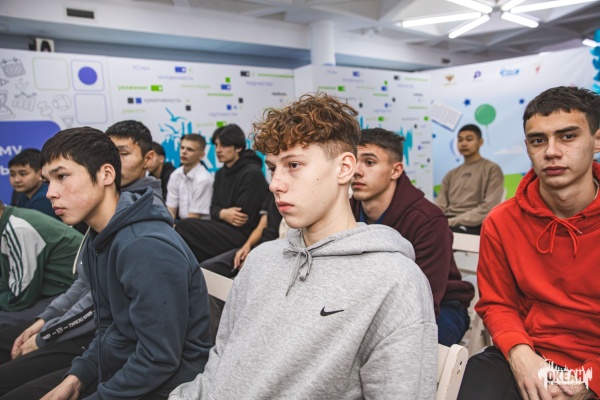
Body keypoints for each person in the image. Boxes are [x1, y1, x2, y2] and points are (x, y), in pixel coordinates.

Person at [169, 93, 437, 399]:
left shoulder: (394, 280)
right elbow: (220, 364)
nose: (275, 184)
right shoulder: (260, 260)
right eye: (273, 168)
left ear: (344, 168)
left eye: (293, 165)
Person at [21, 127, 212, 400]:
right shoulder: (99, 237)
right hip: (126, 367)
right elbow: (110, 327)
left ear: (106, 175)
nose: (51, 192)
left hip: (168, 385)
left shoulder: (143, 247)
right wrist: (78, 377)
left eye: (62, 176)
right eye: (47, 181)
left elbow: (159, 358)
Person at [458, 86, 600, 400]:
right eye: (538, 140)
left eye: (567, 136)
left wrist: (589, 384)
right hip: (530, 351)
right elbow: (498, 303)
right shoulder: (502, 221)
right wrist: (520, 355)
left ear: (597, 140)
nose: (551, 152)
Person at [350, 128, 474, 346]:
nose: (357, 172)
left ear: (396, 170)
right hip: (369, 305)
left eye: (369, 162)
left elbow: (425, 301)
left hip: (441, 306)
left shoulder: (428, 220)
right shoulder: (345, 212)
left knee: (397, 348)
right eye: (353, 162)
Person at [175, 124, 269, 263]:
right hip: (223, 229)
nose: (218, 150)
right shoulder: (220, 174)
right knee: (185, 235)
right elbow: (213, 209)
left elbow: (241, 218)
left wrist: (219, 213)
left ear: (238, 148)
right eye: (216, 145)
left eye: (224, 145)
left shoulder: (252, 173)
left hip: (243, 235)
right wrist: (222, 213)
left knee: (185, 226)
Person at [0, 201, 82, 329]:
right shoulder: (11, 221)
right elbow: (8, 279)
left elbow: (20, 298)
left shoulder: (17, 228)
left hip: (75, 293)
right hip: (56, 290)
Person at [436, 123, 504, 234]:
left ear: (480, 142)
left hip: (474, 224)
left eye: (469, 139)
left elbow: (488, 208)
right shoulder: (451, 174)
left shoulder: (492, 169)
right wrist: (436, 220)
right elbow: (440, 205)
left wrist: (451, 222)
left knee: (441, 235)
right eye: (460, 140)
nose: (463, 143)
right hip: (448, 221)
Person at [105, 120, 163, 199]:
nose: (113, 161)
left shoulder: (148, 204)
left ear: (148, 159)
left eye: (123, 153)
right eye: (108, 153)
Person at [166, 134, 213, 220]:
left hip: (200, 225)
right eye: (182, 148)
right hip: (182, 223)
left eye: (190, 149)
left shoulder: (204, 179)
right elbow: (170, 212)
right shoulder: (175, 175)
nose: (184, 152)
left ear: (201, 155)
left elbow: (194, 218)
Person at [9, 149, 57, 219]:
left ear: (40, 174)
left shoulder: (45, 198)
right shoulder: (19, 194)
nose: (17, 180)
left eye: (23, 174)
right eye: (12, 174)